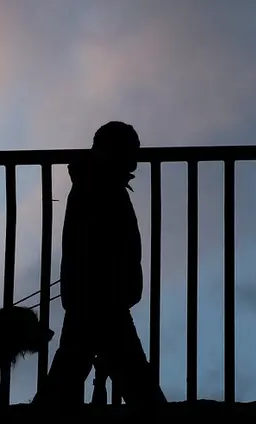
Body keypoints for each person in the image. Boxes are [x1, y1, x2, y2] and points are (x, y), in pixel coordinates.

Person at [33, 121, 167, 407]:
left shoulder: (93, 182)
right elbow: (101, 245)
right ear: (115, 151)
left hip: (93, 298)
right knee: (134, 380)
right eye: (132, 150)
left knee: (69, 372)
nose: (136, 159)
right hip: (103, 298)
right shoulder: (101, 186)